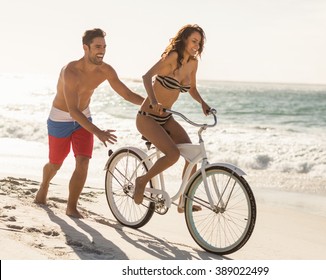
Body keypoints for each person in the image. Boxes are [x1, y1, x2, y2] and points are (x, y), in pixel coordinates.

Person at [34, 28, 144, 218]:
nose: (101, 50)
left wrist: (149, 104)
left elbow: (126, 94)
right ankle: (44, 186)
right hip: (61, 117)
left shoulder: (105, 70)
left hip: (84, 117)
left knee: (83, 161)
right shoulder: (70, 71)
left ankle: (71, 207)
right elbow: (72, 110)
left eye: (104, 46)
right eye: (97, 46)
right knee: (55, 163)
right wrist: (98, 132)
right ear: (85, 48)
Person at [134, 24, 211, 212]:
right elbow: (146, 77)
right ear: (184, 39)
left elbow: (191, 88)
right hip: (147, 117)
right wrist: (153, 101)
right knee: (173, 155)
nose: (196, 46)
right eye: (194, 41)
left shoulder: (193, 63)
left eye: (199, 43)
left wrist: (203, 103)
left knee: (192, 155)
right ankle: (142, 181)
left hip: (166, 117)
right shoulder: (172, 57)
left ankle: (184, 201)